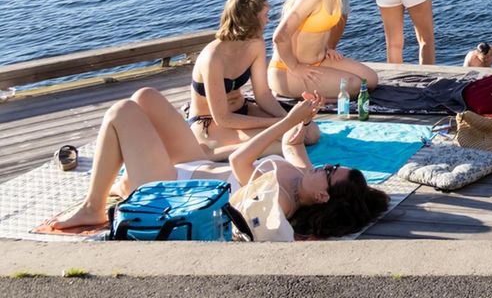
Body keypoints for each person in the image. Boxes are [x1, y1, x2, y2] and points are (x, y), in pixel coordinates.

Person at [42, 90, 388, 237]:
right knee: (145, 96)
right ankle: (127, 176)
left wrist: (283, 121)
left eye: (329, 173)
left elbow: (240, 160)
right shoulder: (300, 175)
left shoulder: (281, 200)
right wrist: (303, 116)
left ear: (324, 197)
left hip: (171, 188)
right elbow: (292, 143)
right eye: (331, 165)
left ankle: (93, 206)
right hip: (192, 164)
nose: (324, 166)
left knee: (122, 112)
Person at [188, 0, 316, 153]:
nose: (268, 20)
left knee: (310, 134)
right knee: (282, 145)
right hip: (210, 122)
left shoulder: (256, 44)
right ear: (251, 20)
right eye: (264, 15)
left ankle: (232, 148)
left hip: (243, 110)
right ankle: (210, 153)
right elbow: (223, 118)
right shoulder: (213, 58)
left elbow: (263, 95)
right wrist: (281, 123)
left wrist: (288, 119)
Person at [269, 0, 379, 99]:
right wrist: (295, 67)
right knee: (354, 85)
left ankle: (318, 93)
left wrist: (326, 48)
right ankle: (307, 98)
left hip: (320, 60)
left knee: (371, 79)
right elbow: (280, 36)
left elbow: (319, 26)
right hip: (287, 70)